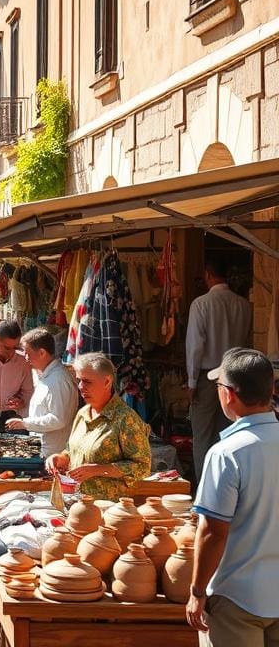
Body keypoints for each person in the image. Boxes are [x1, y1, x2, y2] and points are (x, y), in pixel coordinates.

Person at [186, 348, 279, 645]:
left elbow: (212, 532)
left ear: (229, 395)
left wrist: (197, 592)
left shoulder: (227, 453)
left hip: (236, 596)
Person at [45, 353, 151, 500]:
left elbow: (143, 466)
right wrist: (61, 458)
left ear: (107, 381)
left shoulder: (125, 419)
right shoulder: (82, 414)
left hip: (109, 508)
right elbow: (73, 450)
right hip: (77, 503)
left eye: (87, 381)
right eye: (79, 381)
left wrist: (99, 470)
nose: (81, 387)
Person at [185, 257, 252, 476]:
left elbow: (195, 346)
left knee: (202, 435)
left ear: (208, 274)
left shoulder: (201, 303)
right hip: (236, 376)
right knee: (230, 433)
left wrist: (191, 382)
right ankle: (227, 482)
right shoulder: (243, 304)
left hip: (208, 378)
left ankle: (204, 488)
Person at [6, 328, 78, 457]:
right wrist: (22, 409)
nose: (26, 358)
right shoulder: (46, 376)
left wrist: (25, 424)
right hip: (41, 449)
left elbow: (59, 419)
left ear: (42, 353)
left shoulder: (57, 380)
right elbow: (42, 411)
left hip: (53, 453)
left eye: (28, 353)